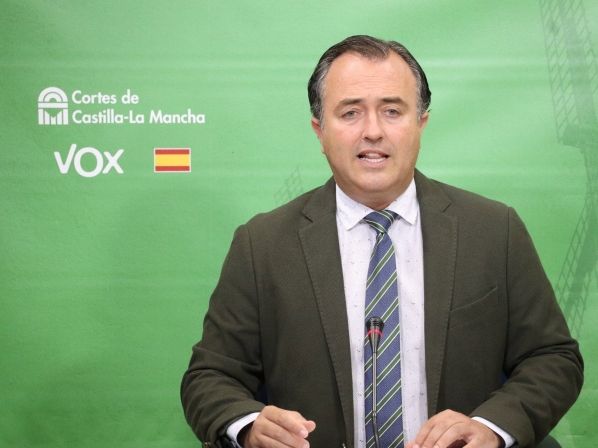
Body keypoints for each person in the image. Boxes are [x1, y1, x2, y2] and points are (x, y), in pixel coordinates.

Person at [181, 35, 583, 448]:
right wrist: (250, 426)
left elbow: (553, 358)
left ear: (421, 123)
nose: (372, 131)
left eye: (392, 111)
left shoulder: (494, 230)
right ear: (320, 130)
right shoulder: (262, 245)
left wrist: (490, 427)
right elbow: (210, 377)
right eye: (350, 113)